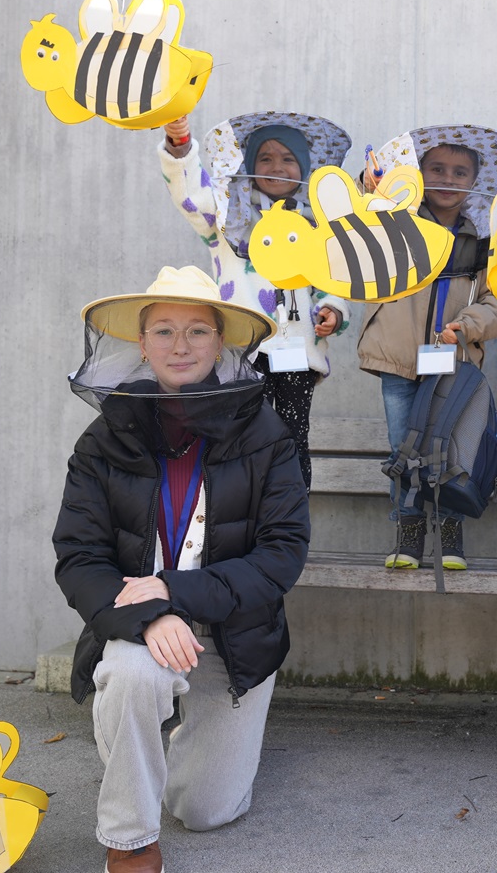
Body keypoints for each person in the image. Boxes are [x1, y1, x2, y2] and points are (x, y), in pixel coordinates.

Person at [52, 265, 308, 873]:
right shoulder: (104, 437)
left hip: (235, 633)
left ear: (220, 343)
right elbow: (78, 556)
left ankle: (151, 752)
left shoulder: (266, 434)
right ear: (141, 344)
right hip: (140, 626)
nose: (180, 345)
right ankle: (130, 840)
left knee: (206, 809)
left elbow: (281, 556)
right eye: (163, 330)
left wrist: (172, 589)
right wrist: (148, 615)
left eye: (197, 330)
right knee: (133, 678)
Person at [159, 112, 352, 489]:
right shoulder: (228, 214)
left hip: (298, 348)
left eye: (287, 158)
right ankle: (240, 522)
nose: (276, 166)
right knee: (237, 437)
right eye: (265, 158)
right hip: (242, 347)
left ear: (305, 166)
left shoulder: (318, 223)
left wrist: (332, 309)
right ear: (249, 165)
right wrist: (180, 147)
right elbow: (190, 197)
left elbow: (335, 277)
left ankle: (290, 525)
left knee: (293, 436)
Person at [359, 125, 497, 570]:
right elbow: (356, 214)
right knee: (402, 450)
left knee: (450, 448)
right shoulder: (394, 219)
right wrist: (370, 183)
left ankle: (450, 533)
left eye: (460, 172)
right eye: (437, 169)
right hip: (397, 358)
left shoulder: (486, 237)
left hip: (454, 359)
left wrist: (466, 327)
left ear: (474, 180)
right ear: (418, 174)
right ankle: (408, 532)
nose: (448, 179)